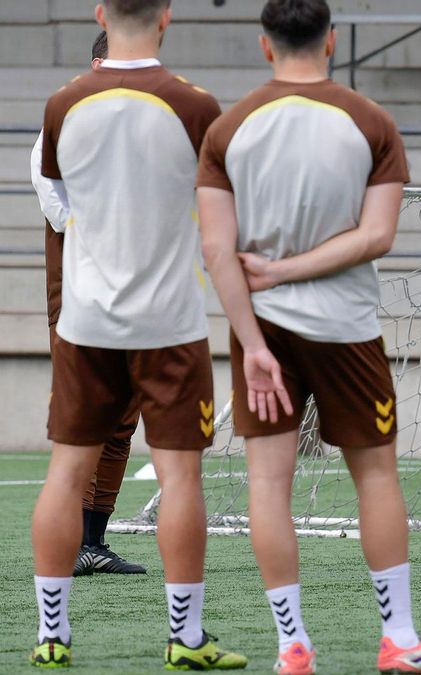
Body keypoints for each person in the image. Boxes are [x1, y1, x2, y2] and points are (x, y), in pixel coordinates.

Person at [196, 1, 421, 673]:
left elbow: (215, 248)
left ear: (265, 46)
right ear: (333, 40)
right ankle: (400, 640)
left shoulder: (229, 127)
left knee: (268, 482)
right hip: (346, 327)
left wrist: (252, 342)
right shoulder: (370, 121)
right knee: (375, 473)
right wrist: (296, 271)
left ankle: (293, 646)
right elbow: (378, 236)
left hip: (261, 329)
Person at [30, 0, 245, 669]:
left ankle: (52, 637)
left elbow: (62, 203)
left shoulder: (63, 105)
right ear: (168, 16)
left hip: (86, 315)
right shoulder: (197, 106)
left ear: (99, 11)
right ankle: (184, 638)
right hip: (169, 320)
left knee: (65, 472)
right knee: (181, 476)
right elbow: (220, 228)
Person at [31, 29, 147, 578]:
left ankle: (94, 541)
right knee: (85, 416)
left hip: (137, 294)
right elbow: (60, 212)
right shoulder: (59, 124)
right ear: (98, 63)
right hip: (81, 294)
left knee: (125, 417)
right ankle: (68, 543)